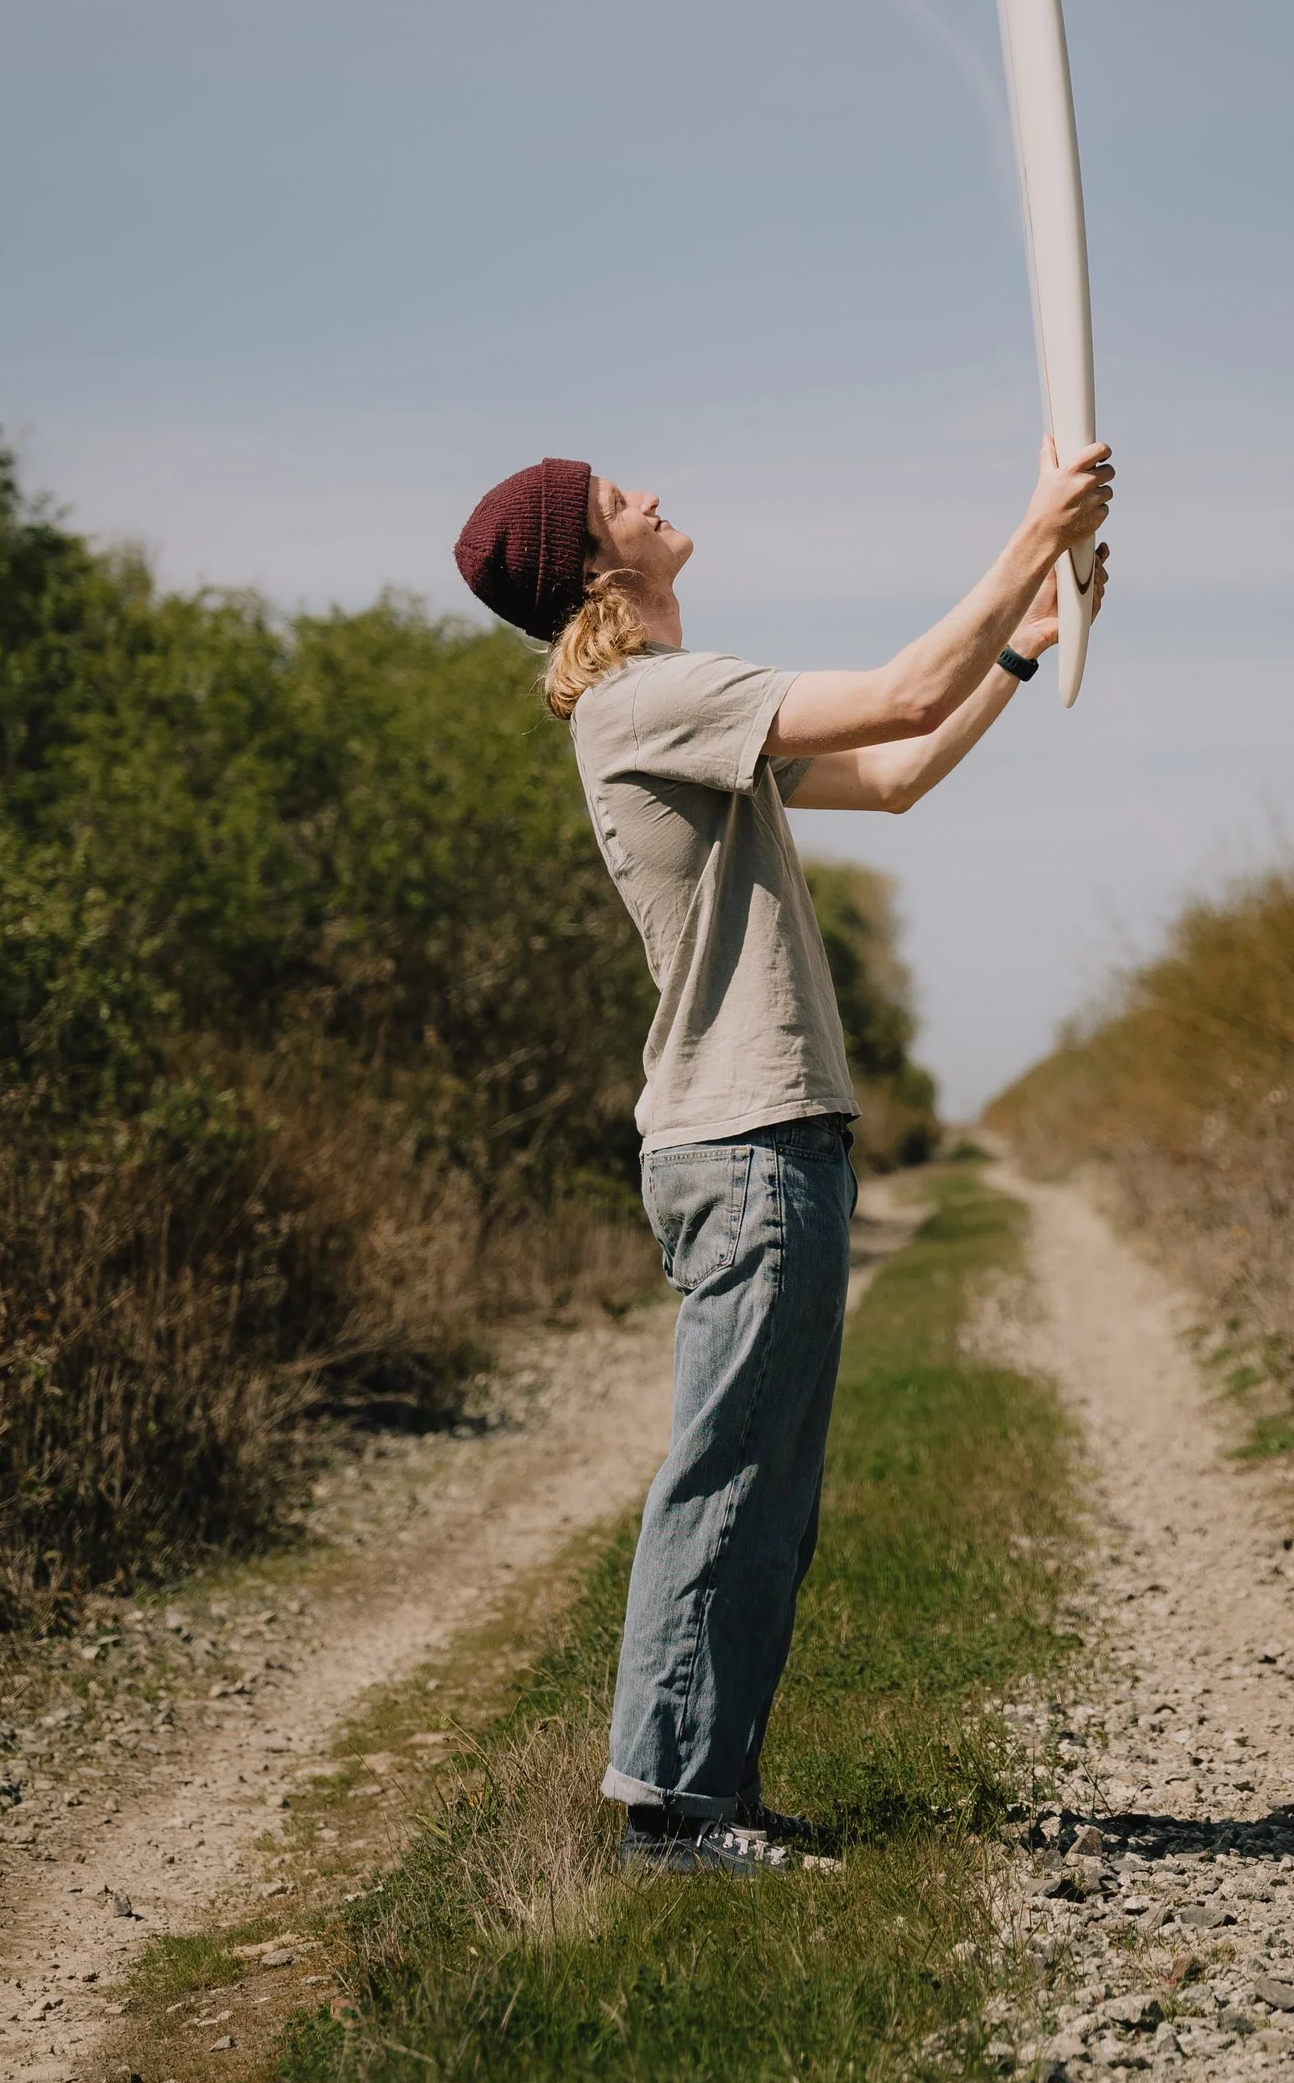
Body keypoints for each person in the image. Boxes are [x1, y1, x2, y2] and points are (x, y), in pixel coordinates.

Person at [450, 438, 1113, 1875]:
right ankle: (672, 1811)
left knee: (771, 1487)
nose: (650, 494)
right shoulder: (652, 699)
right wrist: (1027, 538)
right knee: (732, 1475)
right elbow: (895, 690)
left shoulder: (680, 709)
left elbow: (892, 771)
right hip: (742, 1142)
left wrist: (1020, 644)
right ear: (594, 560)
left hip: (774, 1136)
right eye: (620, 496)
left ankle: (708, 1794)